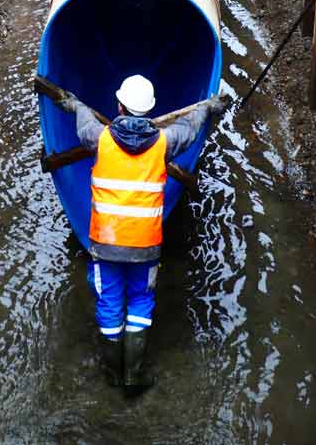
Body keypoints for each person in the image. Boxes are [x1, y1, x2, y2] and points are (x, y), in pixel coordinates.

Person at [57, 74, 224, 395]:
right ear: (149, 111)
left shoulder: (100, 139)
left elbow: (83, 124)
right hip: (146, 246)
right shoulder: (164, 144)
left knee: (109, 300)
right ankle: (134, 376)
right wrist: (208, 108)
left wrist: (75, 104)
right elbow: (189, 129)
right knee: (140, 300)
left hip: (105, 244)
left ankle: (111, 374)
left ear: (119, 106)